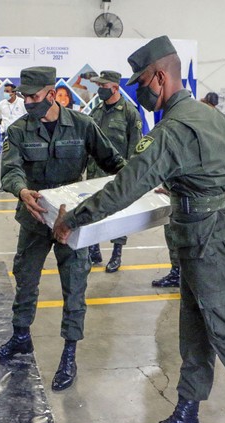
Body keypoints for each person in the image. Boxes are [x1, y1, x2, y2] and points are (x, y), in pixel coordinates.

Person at [52, 36, 225, 423]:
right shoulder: (210, 116)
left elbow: (126, 187)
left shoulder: (171, 130)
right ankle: (187, 412)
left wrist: (72, 218)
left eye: (141, 82)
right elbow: (224, 175)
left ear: (160, 77)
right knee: (194, 333)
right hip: (208, 235)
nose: (138, 91)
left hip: (211, 245)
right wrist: (187, 187)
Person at [0, 66, 125, 392]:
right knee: (25, 278)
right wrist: (22, 191)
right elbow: (10, 171)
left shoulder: (83, 125)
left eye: (34, 97)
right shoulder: (18, 130)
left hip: (72, 221)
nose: (27, 103)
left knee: (75, 287)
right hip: (35, 220)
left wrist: (144, 183)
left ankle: (69, 354)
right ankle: (21, 337)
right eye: (24, 97)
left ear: (52, 94)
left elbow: (114, 163)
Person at [86, 70, 143, 273]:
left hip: (116, 174)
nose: (100, 90)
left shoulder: (129, 113)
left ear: (115, 88)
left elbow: (135, 147)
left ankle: (116, 253)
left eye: (103, 87)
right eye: (99, 86)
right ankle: (94, 250)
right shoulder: (96, 112)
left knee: (118, 214)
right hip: (94, 173)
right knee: (92, 211)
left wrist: (128, 175)